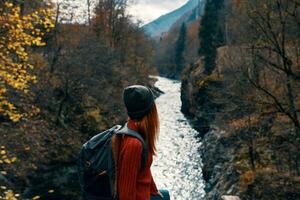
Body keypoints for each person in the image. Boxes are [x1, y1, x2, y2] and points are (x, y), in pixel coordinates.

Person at [112, 85, 170, 200]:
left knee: (165, 195)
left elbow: (144, 169)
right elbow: (126, 195)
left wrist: (154, 190)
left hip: (143, 192)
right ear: (149, 111)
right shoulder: (134, 145)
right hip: (139, 196)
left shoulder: (134, 130)